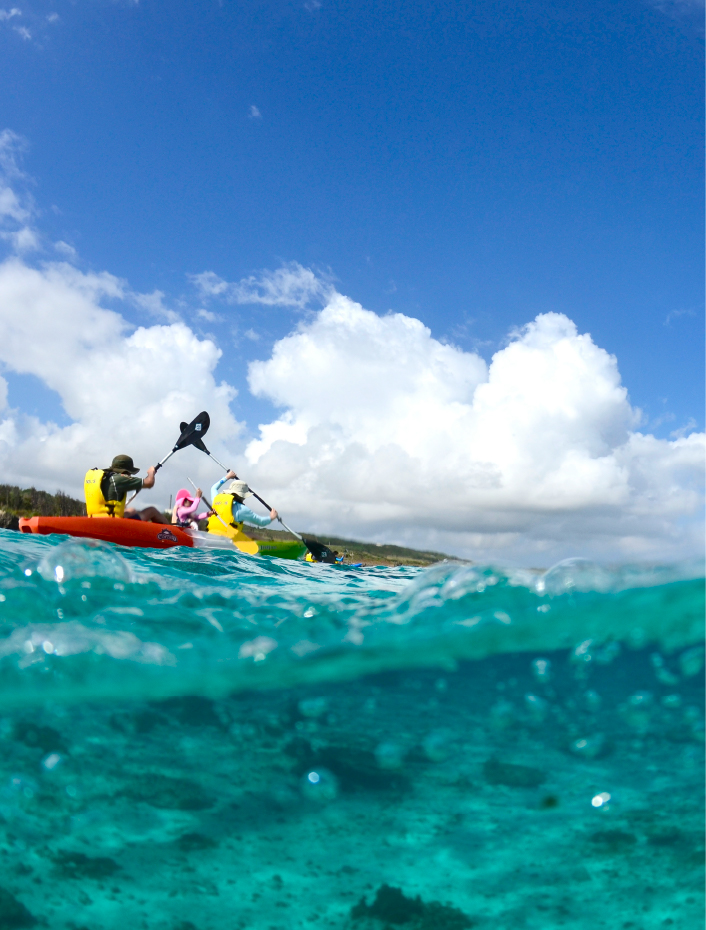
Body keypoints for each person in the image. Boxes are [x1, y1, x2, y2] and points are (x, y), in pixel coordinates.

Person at [84, 455, 167, 523]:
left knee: (131, 510)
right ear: (125, 472)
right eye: (130, 474)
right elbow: (149, 482)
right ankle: (172, 534)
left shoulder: (103, 478)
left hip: (94, 519)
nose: (130, 476)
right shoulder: (119, 479)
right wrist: (151, 473)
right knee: (152, 510)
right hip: (113, 524)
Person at [207, 471, 278, 536]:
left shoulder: (216, 499)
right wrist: (271, 517)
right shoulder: (242, 509)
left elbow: (213, 488)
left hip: (210, 535)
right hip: (227, 541)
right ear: (243, 495)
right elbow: (261, 522)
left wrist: (227, 477)